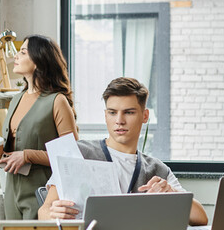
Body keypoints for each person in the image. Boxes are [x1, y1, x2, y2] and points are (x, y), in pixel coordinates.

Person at [37, 77, 208, 226]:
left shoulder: (157, 169)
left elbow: (200, 218)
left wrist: (172, 194)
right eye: (112, 113)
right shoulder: (79, 153)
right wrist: (52, 214)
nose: (119, 121)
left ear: (145, 116)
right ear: (105, 116)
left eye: (129, 112)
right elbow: (43, 212)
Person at [0, 35, 78, 220]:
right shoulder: (17, 99)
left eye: (23, 52)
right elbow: (14, 149)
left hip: (42, 191)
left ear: (39, 60)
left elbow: (71, 157)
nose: (15, 57)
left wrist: (27, 155)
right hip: (11, 190)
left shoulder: (57, 101)